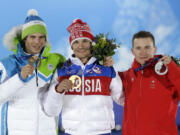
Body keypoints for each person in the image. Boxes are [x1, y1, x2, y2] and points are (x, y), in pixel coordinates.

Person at [42, 19, 124, 135]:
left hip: (102, 132)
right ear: (71, 46)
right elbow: (50, 110)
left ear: (91, 43)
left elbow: (122, 99)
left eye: (85, 41)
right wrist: (57, 90)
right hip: (72, 132)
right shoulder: (62, 71)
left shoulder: (106, 67)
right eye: (76, 42)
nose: (80, 46)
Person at [0, 9, 65, 135]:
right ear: (24, 39)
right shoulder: (8, 64)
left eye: (41, 37)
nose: (37, 41)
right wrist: (19, 78)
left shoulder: (54, 62)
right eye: (32, 37)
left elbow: (78, 68)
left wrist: (103, 61)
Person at [118, 31, 180, 135]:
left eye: (147, 47)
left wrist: (172, 67)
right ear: (132, 51)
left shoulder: (167, 73)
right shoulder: (126, 76)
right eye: (138, 48)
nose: (143, 52)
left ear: (154, 49)